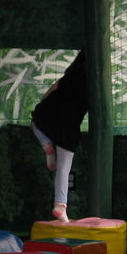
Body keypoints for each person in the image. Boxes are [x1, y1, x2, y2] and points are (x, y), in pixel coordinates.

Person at [31, 50, 88, 222]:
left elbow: (47, 95)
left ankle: (47, 145)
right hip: (68, 126)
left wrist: (45, 108)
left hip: (50, 116)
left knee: (35, 121)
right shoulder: (93, 84)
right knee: (64, 168)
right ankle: (60, 206)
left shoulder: (69, 77)